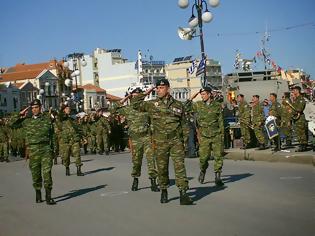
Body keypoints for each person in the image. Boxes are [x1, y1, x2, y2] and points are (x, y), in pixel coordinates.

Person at [132, 79, 193, 205]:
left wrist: (185, 142)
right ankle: (164, 190)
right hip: (160, 142)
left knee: (180, 167)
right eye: (157, 88)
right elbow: (135, 103)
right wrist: (148, 91)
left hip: (176, 141)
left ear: (168, 89)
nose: (159, 90)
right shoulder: (151, 104)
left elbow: (184, 125)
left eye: (161, 87)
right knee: (162, 168)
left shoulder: (178, 105)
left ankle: (183, 194)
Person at [10, 99, 56, 205]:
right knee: (36, 174)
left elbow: (52, 135)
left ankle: (48, 197)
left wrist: (53, 150)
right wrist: (20, 113)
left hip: (45, 149)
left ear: (40, 108)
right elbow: (11, 124)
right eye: (33, 108)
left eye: (37, 107)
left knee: (47, 173)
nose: (35, 110)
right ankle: (38, 194)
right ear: (31, 109)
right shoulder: (27, 121)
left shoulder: (47, 120)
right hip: (33, 150)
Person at [115, 88, 159, 192]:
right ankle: (135, 179)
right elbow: (113, 109)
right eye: (135, 95)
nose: (137, 97)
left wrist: (152, 133)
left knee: (151, 160)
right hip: (135, 139)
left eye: (138, 95)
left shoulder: (146, 107)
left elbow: (152, 120)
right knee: (136, 161)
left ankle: (153, 182)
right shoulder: (128, 109)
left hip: (147, 137)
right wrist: (126, 98)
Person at [185, 88, 224, 186]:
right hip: (204, 136)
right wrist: (193, 96)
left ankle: (217, 177)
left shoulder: (217, 105)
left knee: (218, 156)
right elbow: (185, 107)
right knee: (203, 158)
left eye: (203, 94)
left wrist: (221, 135)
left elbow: (220, 121)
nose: (202, 96)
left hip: (216, 134)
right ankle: (203, 171)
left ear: (209, 94)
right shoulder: (198, 105)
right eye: (201, 94)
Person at [57, 103, 84, 176]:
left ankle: (79, 170)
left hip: (74, 139)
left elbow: (78, 129)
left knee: (77, 154)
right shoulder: (60, 119)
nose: (69, 110)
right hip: (65, 140)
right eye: (67, 109)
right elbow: (58, 123)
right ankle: (67, 168)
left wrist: (82, 137)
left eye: (69, 109)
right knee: (66, 156)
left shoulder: (72, 119)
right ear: (63, 110)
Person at [291, 86, 308, 152]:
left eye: (294, 90)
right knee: (298, 133)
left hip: (300, 118)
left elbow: (299, 109)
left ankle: (303, 146)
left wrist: (292, 111)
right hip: (296, 118)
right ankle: (301, 145)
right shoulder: (296, 99)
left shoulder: (301, 99)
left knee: (301, 132)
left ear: (298, 91)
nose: (293, 92)